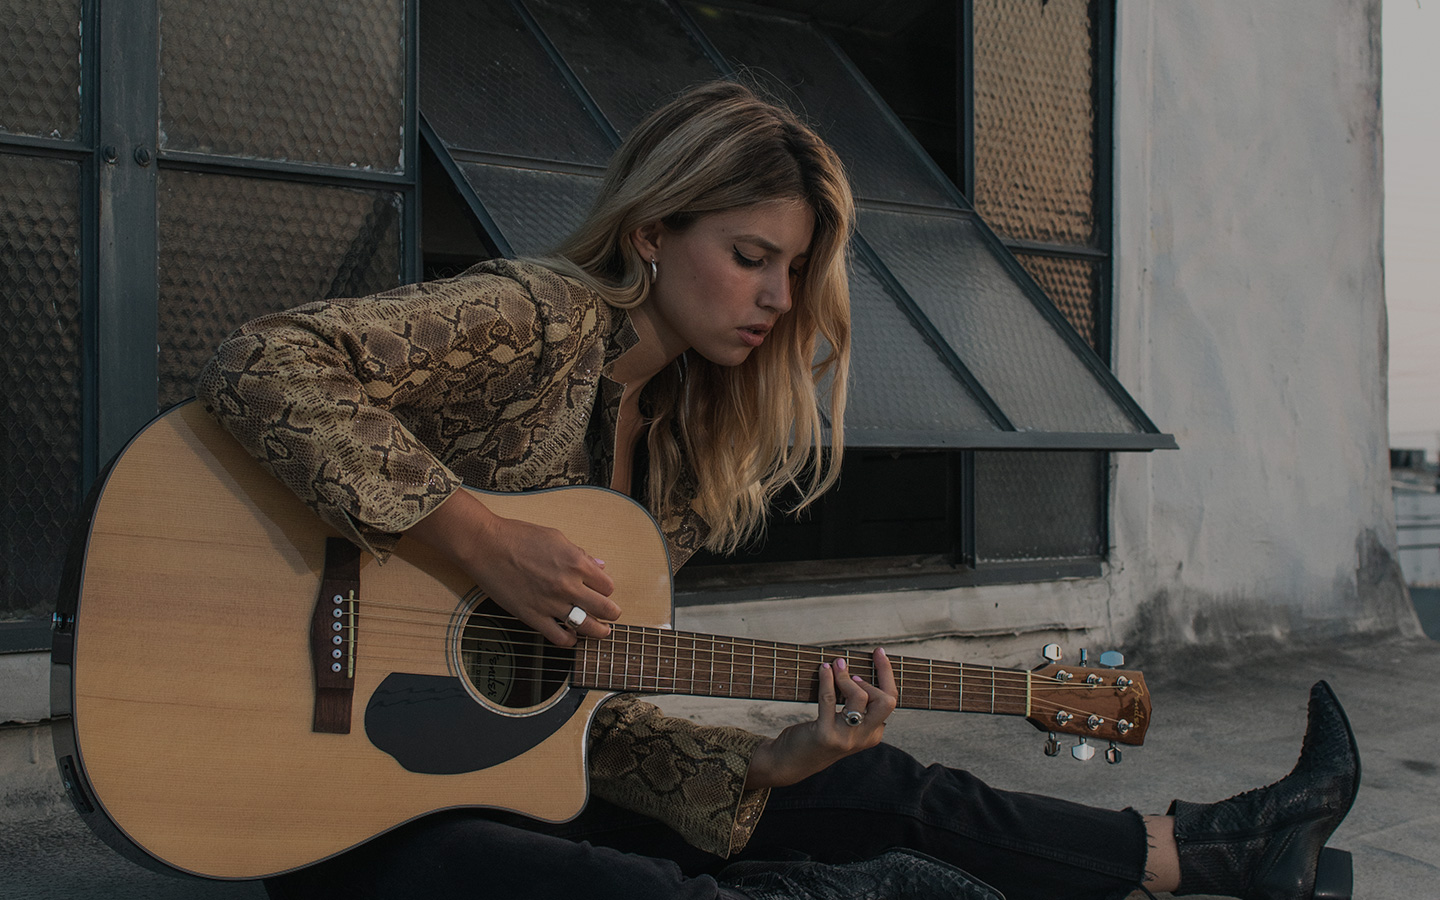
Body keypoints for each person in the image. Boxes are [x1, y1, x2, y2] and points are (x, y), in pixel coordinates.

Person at [197, 81, 1359, 900]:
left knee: (879, 782)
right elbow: (265, 361)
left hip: (476, 777)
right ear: (653, 229)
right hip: (332, 796)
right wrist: (483, 540)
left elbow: (566, 712)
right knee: (622, 885)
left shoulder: (681, 468)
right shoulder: (540, 321)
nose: (775, 295)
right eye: (750, 256)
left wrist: (767, 760)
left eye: (793, 270)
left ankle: (1201, 851)